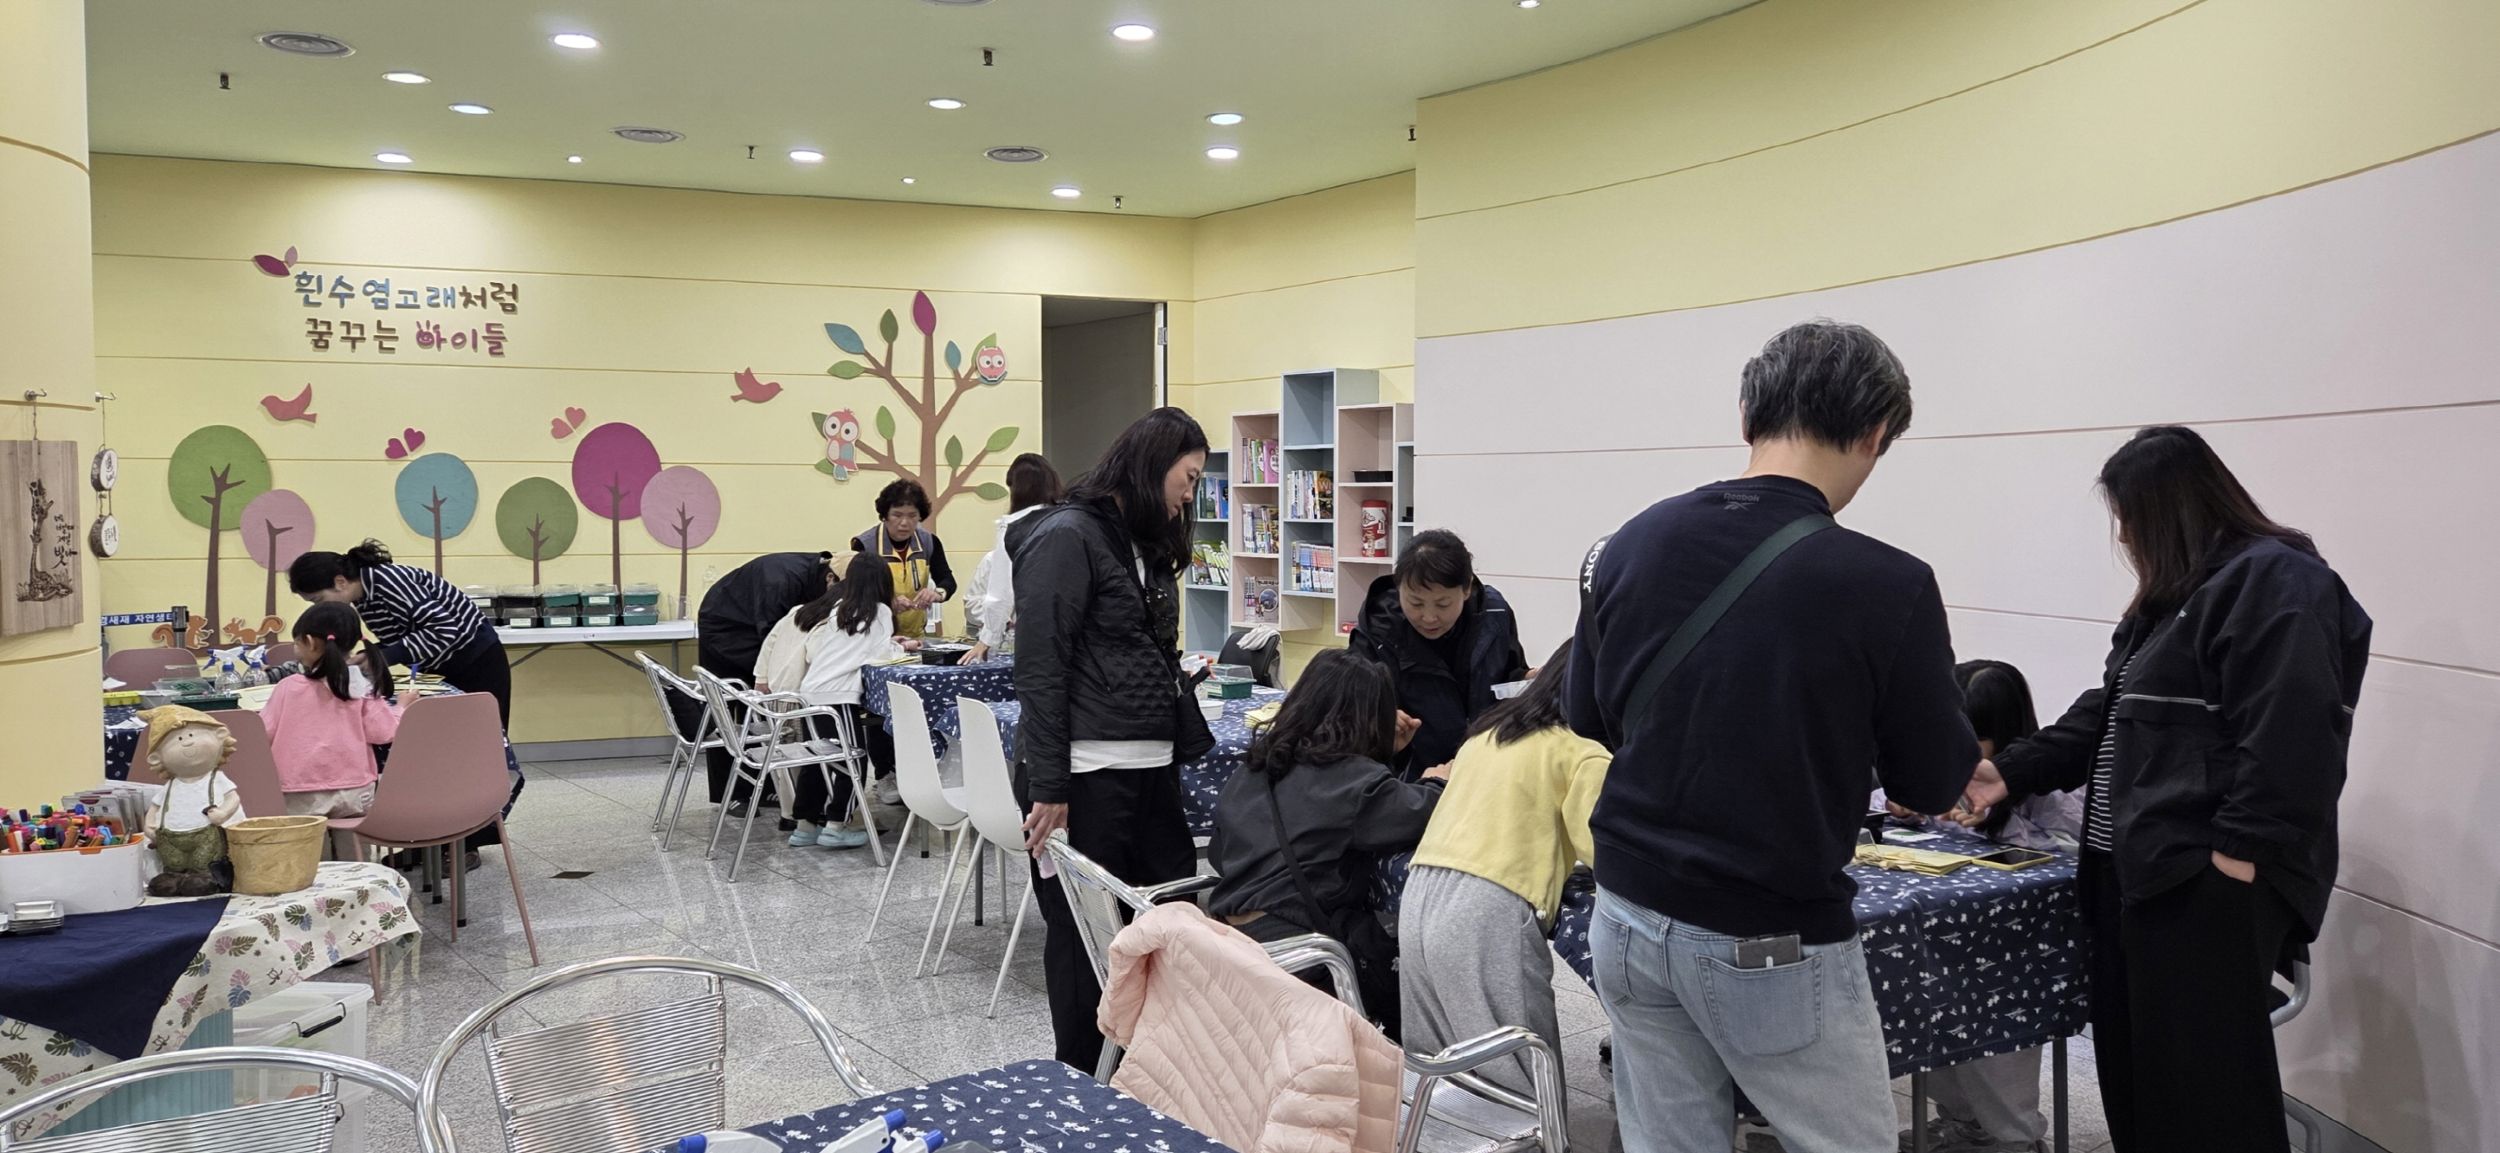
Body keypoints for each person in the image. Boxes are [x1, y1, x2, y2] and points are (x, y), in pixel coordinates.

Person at [1566, 320, 1980, 1152]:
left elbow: (1587, 715)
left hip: (1626, 906)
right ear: (1875, 434)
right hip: (1769, 933)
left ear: (1748, 413)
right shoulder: (1888, 582)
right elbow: (1933, 782)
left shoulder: (1632, 540)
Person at [1964, 426, 2370, 1153]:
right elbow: (2108, 712)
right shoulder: (2171, 602)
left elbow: (2295, 733)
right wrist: (2010, 772)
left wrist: (2236, 857)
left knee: (2207, 1095)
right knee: (2140, 1078)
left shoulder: (2276, 581)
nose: (2124, 535)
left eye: (2129, 516)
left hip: (2200, 880)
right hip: (2135, 874)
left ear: (2170, 508)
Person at [1009, 406, 1211, 1071]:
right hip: (1084, 774)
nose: (1190, 494)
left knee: (1170, 924)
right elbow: (1041, 665)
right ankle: (1083, 1083)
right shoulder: (1067, 535)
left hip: (1151, 768)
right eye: (1187, 477)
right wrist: (1050, 787)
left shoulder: (1146, 543)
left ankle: (1153, 1077)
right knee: (1084, 942)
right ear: (1154, 465)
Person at [1398, 639, 1607, 1095]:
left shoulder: (1490, 732)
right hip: (1489, 906)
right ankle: (1533, 1134)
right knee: (1515, 1066)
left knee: (1438, 1065)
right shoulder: (1584, 752)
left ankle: (1437, 1134)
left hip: (1420, 892)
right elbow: (1605, 849)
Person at [1889, 659, 2078, 1153]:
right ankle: (1962, 1123)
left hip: (2014, 951)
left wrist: (2000, 818)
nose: (1959, 757)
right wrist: (1911, 807)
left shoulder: (2049, 788)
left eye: (1974, 743)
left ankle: (2012, 1140)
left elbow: (2071, 845)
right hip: (1943, 939)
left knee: (1999, 1044)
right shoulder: (1942, 772)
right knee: (1931, 1020)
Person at [1208, 649, 1446, 1039]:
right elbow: (1420, 814)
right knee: (1419, 949)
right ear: (1373, 717)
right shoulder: (1357, 782)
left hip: (1232, 938)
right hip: (1301, 951)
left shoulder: (1259, 763)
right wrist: (1437, 780)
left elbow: (1219, 855)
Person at [1348, 529, 1526, 779]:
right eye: (1416, 603)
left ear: (1467, 589)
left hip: (1483, 769)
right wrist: (1381, 718)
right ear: (1399, 587)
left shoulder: (1494, 614)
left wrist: (1529, 681)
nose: (1429, 617)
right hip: (1410, 780)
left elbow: (1507, 676)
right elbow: (1352, 708)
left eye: (1443, 604)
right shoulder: (1378, 629)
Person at [772, 559, 917, 849]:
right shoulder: (881, 611)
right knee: (853, 760)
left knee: (818, 760)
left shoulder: (840, 608)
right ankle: (836, 826)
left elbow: (855, 646)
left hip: (812, 691)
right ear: (883, 582)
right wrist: (902, 647)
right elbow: (879, 656)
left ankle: (805, 827)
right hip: (837, 697)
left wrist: (891, 642)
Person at [289, 540, 507, 727]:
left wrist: (383, 656)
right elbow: (400, 638)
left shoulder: (388, 581)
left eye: (318, 600)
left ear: (340, 582)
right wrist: (371, 655)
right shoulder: (363, 596)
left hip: (476, 660)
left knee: (484, 734)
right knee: (453, 737)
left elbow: (442, 630)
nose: (319, 607)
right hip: (442, 665)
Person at [692, 550, 836, 810]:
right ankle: (732, 794)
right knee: (730, 710)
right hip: (725, 631)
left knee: (763, 710)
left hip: (751, 625)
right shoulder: (781, 580)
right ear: (830, 578)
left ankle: (768, 787)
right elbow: (775, 636)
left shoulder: (813, 572)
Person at [264, 602, 400, 836]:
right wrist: (401, 708)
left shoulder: (287, 687)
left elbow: (264, 733)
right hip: (355, 790)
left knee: (308, 849)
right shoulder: (361, 686)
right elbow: (384, 733)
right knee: (353, 848)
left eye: (296, 643)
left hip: (298, 791)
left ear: (310, 642)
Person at [963, 453, 1063, 664]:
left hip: (1034, 639)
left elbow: (1001, 593)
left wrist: (987, 639)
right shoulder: (1070, 520)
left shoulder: (1014, 527)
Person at [855, 479, 957, 638]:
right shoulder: (865, 545)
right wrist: (887, 603)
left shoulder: (929, 542)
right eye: (897, 515)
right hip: (874, 636)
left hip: (915, 636)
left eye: (912, 516)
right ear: (885, 515)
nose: (904, 523)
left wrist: (938, 593)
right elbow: (855, 595)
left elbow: (947, 579)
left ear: (920, 516)